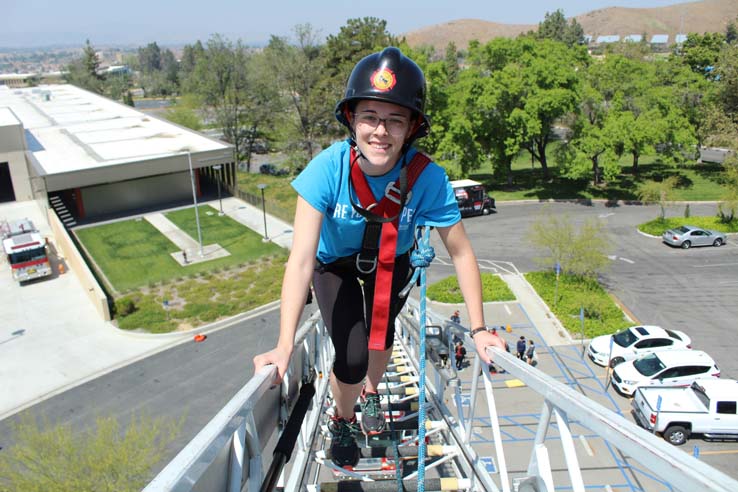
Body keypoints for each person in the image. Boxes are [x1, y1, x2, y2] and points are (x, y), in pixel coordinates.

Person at [252, 47, 505, 468]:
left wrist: (478, 328)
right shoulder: (327, 169)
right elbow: (299, 260)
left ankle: (371, 390)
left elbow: (461, 253)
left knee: (381, 338)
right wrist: (283, 346)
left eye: (395, 120)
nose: (380, 131)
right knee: (350, 356)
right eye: (369, 116)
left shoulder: (427, 178)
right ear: (351, 120)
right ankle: (345, 416)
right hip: (335, 265)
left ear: (412, 129)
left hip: (393, 258)